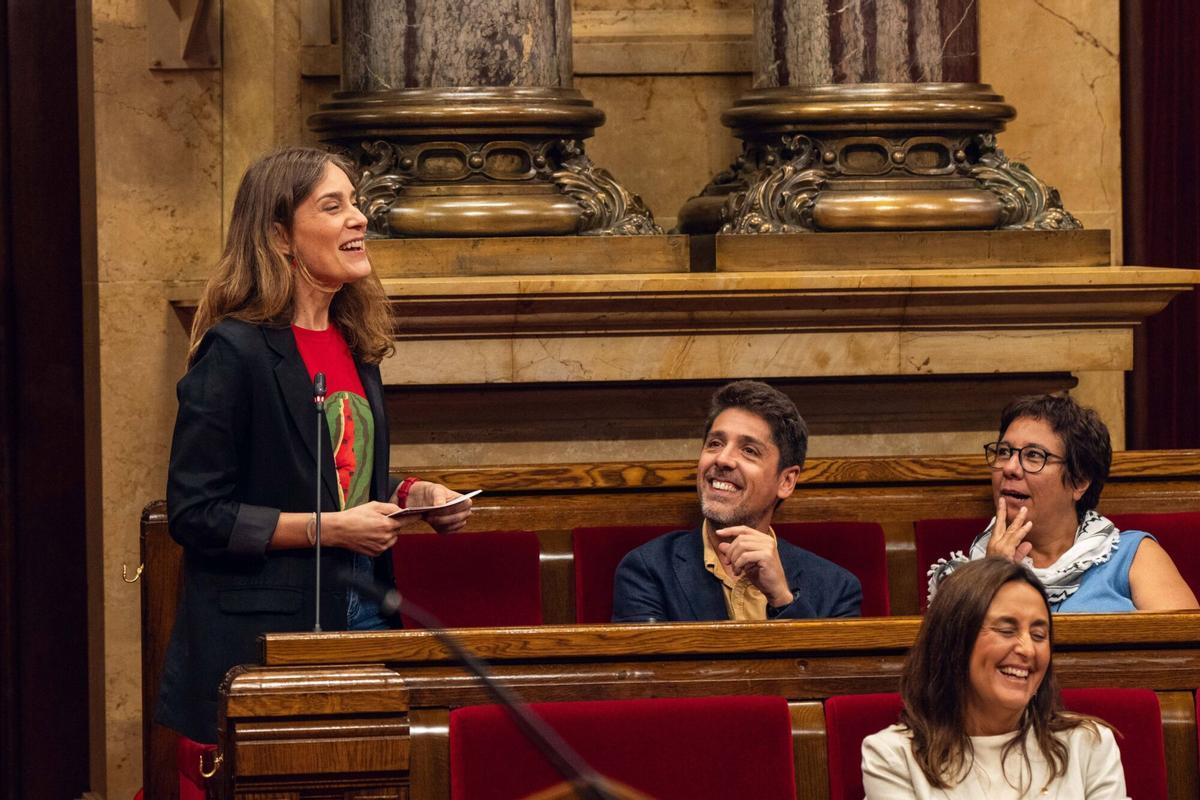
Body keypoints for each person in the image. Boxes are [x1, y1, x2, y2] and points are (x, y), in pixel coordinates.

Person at [156, 147, 472, 746]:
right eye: (334, 206)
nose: (358, 218)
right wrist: (329, 529)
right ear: (280, 236)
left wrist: (411, 493)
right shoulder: (235, 351)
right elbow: (196, 513)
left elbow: (329, 469)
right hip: (272, 632)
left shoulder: (354, 343)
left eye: (355, 203)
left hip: (365, 608)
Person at [863, 558, 1128, 799]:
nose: (1027, 649)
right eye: (1006, 630)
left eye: (1038, 636)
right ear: (955, 641)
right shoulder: (893, 756)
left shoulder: (1089, 744)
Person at [611, 380, 861, 622]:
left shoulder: (837, 589)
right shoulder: (648, 570)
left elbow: (823, 666)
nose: (723, 459)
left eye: (749, 450)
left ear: (786, 481)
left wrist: (782, 599)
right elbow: (653, 665)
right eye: (715, 443)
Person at [929, 394, 1196, 612]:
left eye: (1033, 456)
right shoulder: (966, 576)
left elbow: (1185, 660)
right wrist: (991, 575)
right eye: (1003, 452)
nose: (1010, 467)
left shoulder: (1132, 555)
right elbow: (948, 667)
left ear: (1079, 481)